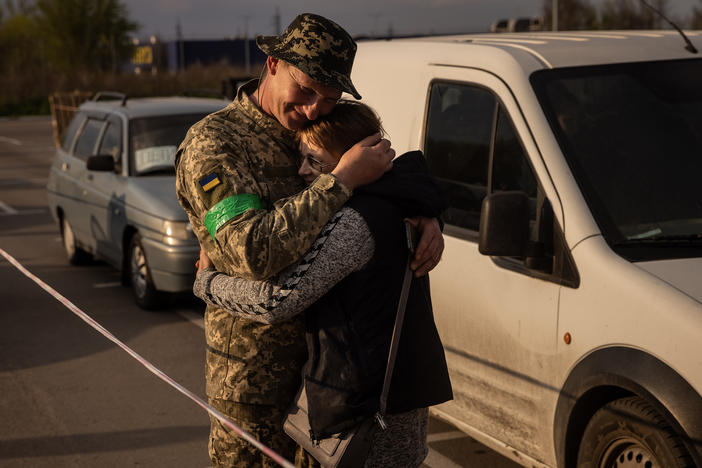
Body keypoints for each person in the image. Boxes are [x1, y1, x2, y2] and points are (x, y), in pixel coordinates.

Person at [175, 13, 444, 467]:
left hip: (328, 385)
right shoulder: (216, 144)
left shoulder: (319, 127)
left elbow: (388, 165)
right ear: (274, 63)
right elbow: (252, 252)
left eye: (329, 97)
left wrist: (424, 211)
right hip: (255, 388)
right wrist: (337, 181)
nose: (316, 108)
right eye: (306, 89)